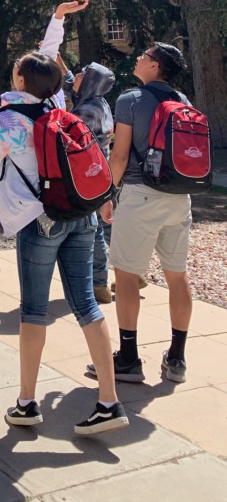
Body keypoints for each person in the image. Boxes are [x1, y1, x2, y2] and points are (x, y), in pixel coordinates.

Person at [0, 47, 128, 436]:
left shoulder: (6, 121)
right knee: (87, 305)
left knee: (33, 311)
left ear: (21, 81)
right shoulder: (61, 113)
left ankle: (26, 403)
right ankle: (109, 402)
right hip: (80, 214)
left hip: (38, 222)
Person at [88, 43, 193, 385]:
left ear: (155, 66)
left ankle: (129, 358)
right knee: (177, 275)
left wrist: (107, 195)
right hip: (179, 196)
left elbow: (118, 157)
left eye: (144, 56)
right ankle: (177, 357)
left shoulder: (130, 100)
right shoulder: (183, 100)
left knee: (128, 275)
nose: (137, 58)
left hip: (141, 195)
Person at [60, 58, 117, 304]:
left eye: (83, 74)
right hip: (98, 176)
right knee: (103, 227)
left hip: (90, 177)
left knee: (95, 231)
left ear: (91, 82)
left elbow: (66, 137)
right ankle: (131, 272)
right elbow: (70, 81)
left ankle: (100, 284)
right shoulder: (95, 100)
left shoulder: (87, 110)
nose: (77, 76)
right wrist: (56, 58)